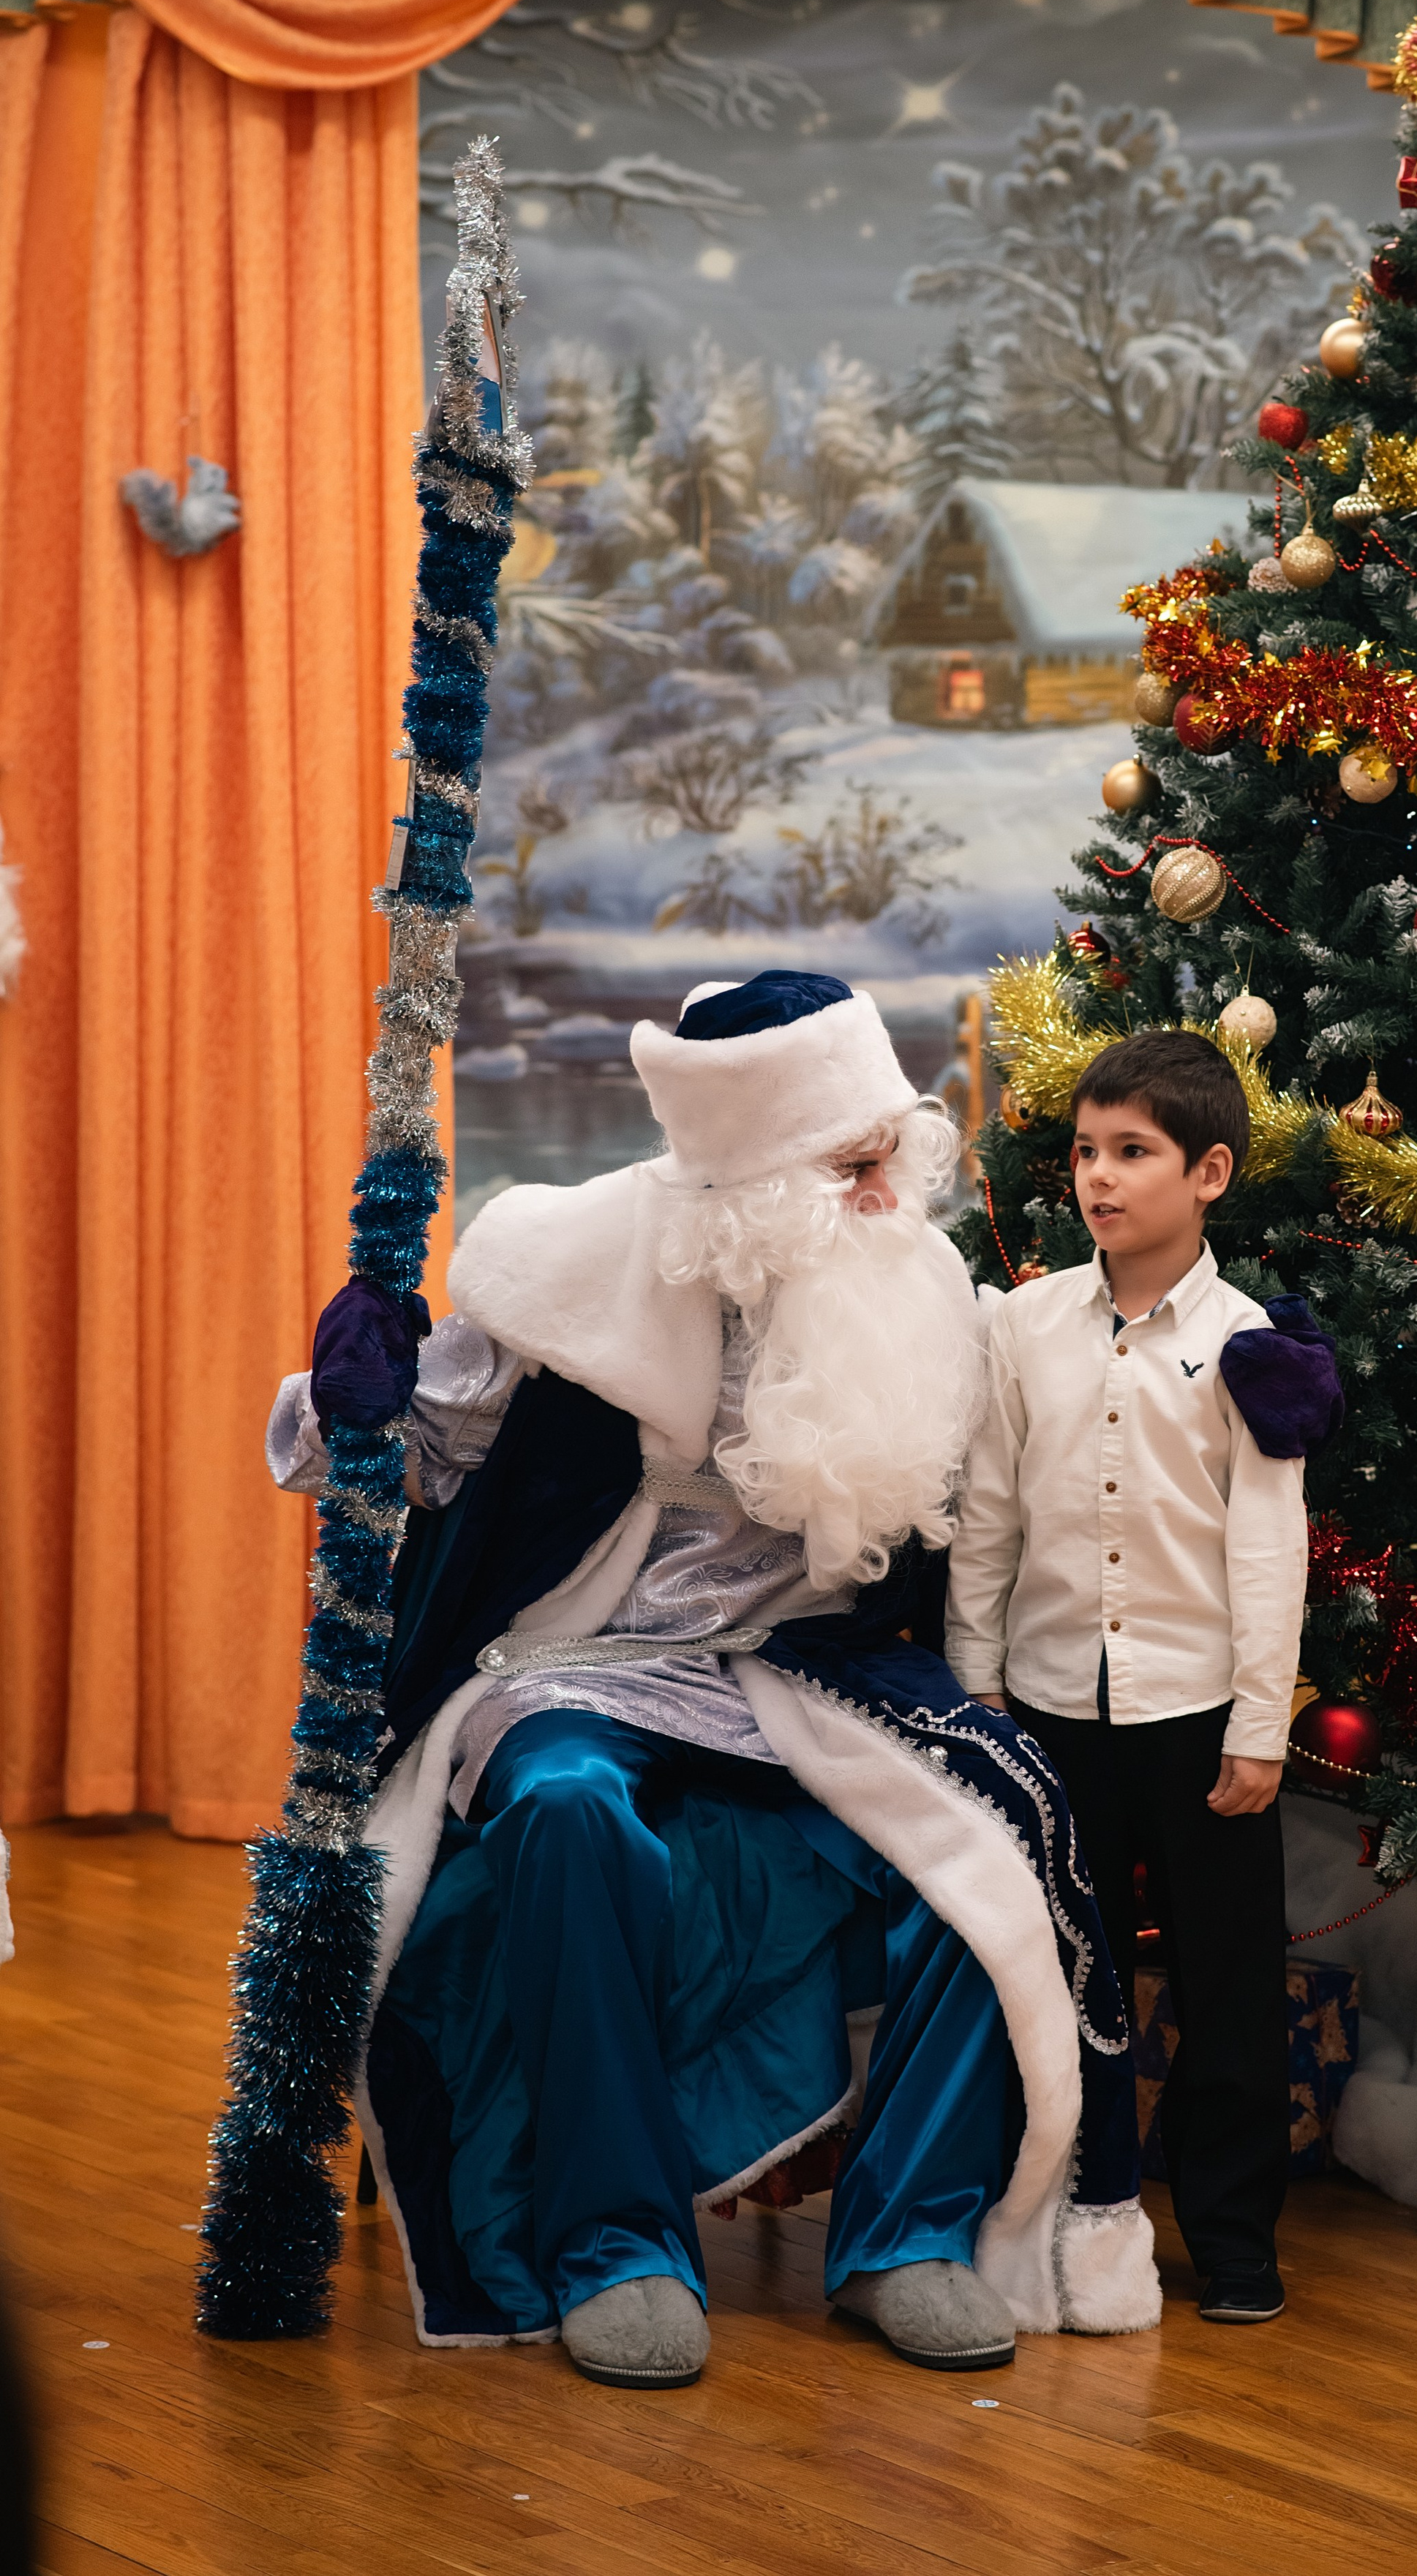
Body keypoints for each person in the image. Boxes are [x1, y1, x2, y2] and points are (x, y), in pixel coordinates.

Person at [268, 972, 1158, 2386]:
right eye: (852, 1164)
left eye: (889, 1149)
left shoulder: (913, 1274)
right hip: (580, 1657)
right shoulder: (565, 1261)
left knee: (1002, 1824)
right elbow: (403, 1457)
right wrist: (343, 1397)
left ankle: (908, 2235)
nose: (889, 1185)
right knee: (565, 1812)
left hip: (808, 1670)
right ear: (754, 1178)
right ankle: (613, 2245)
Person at [946, 1030, 1336, 2326]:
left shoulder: (1252, 1343)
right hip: (1054, 1708)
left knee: (1227, 1984)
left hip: (1200, 1712)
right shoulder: (1022, 1323)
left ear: (1208, 1171)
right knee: (1067, 1973)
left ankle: (1234, 2243)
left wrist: (1262, 1724)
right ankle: (1064, 2215)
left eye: (1133, 1154)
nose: (1099, 1179)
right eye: (1083, 1153)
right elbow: (990, 1508)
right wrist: (976, 1679)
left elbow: (1269, 1546)